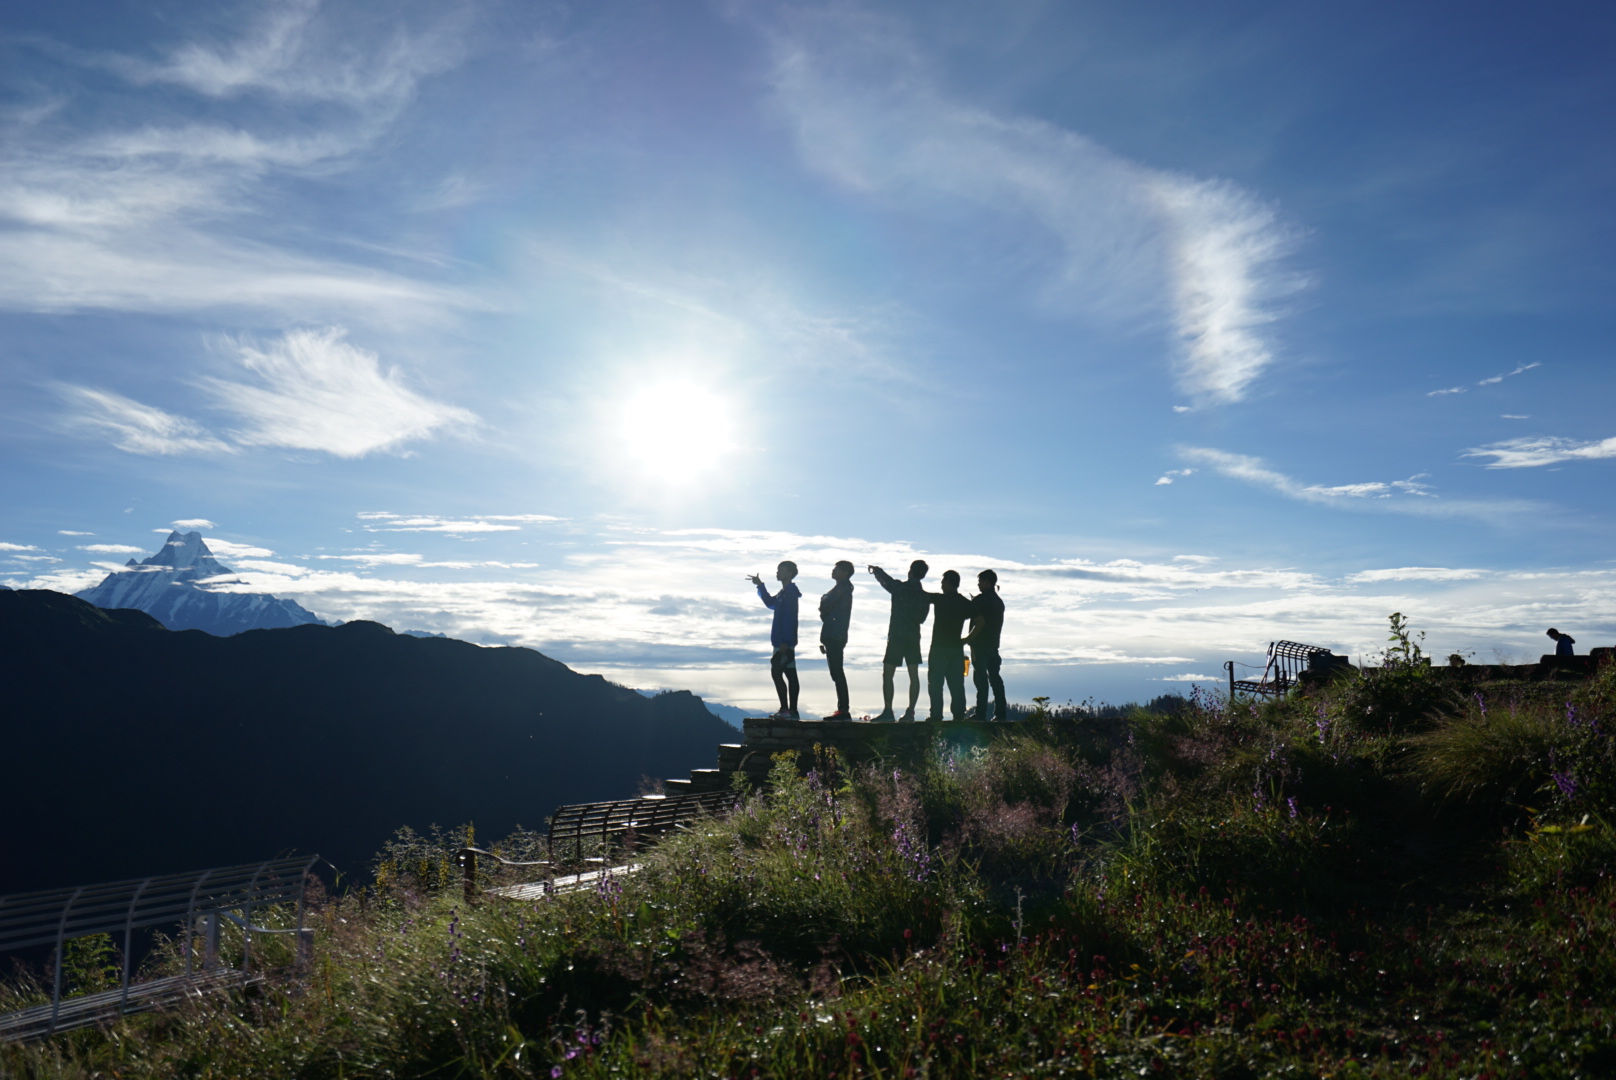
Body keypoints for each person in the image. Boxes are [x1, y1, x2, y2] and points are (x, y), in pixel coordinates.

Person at [867, 559, 929, 721]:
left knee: (888, 674)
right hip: (913, 637)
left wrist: (877, 570)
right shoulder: (923, 596)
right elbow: (922, 618)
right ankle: (911, 712)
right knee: (913, 675)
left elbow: (887, 582)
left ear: (911, 571)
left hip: (896, 636)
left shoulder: (901, 588)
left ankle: (888, 711)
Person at [748, 561, 801, 719]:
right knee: (789, 673)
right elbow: (770, 603)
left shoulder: (789, 592)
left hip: (783, 642)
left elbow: (790, 617)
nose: (777, 573)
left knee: (778, 673)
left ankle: (787, 709)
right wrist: (760, 586)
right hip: (781, 641)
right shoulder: (783, 593)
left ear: (790, 573)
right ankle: (791, 710)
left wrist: (785, 640)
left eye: (781, 570)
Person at [926, 570, 972, 721]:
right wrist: (967, 639)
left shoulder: (939, 599)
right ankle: (959, 716)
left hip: (939, 648)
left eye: (943, 582)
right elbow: (980, 622)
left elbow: (922, 595)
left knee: (935, 684)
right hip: (956, 648)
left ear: (948, 583)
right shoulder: (965, 603)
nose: (941, 585)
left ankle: (936, 716)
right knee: (957, 685)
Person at [964, 569, 1006, 721]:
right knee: (995, 679)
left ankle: (981, 714)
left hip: (979, 646)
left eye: (980, 581)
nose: (978, 584)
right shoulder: (999, 602)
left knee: (981, 681)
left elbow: (975, 623)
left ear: (987, 582)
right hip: (994, 646)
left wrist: (969, 642)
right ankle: (1000, 713)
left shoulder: (980, 600)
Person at [819, 561, 855, 720]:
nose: (833, 571)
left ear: (845, 572)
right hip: (834, 634)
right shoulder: (843, 588)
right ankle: (842, 709)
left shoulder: (842, 588)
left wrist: (823, 600)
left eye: (837, 569)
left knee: (837, 671)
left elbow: (826, 603)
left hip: (835, 634)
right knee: (836, 671)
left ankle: (843, 710)